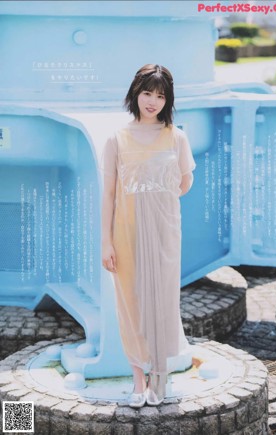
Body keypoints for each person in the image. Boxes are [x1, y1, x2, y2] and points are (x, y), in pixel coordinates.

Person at [101, 64, 196, 408]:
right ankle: (138, 382)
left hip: (165, 230)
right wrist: (106, 241)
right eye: (147, 93)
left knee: (163, 301)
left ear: (167, 99)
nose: (152, 101)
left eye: (160, 95)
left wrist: (156, 196)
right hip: (125, 231)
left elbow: (185, 183)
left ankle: (160, 376)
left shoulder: (176, 136)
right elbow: (109, 193)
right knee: (131, 302)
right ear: (135, 93)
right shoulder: (117, 138)